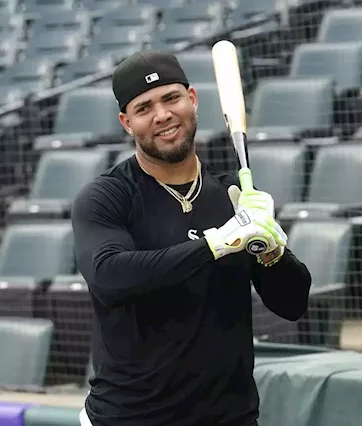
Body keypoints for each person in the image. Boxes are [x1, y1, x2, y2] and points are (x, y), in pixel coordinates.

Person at [71, 50, 312, 426]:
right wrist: (218, 243)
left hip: (230, 417)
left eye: (172, 98)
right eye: (144, 107)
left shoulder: (232, 196)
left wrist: (273, 252)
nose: (163, 115)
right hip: (129, 417)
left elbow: (292, 303)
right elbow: (109, 275)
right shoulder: (107, 197)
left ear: (193, 99)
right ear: (126, 122)